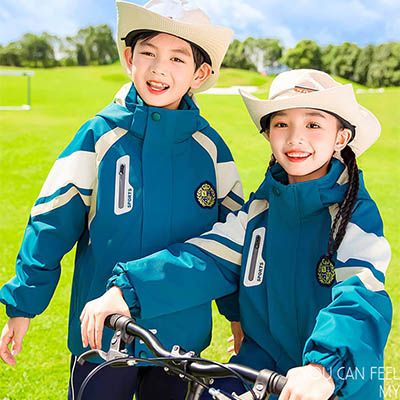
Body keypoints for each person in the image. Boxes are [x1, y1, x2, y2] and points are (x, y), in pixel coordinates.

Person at [81, 69, 392, 400]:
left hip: (333, 385)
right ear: (268, 133)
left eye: (313, 125)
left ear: (340, 138)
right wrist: (128, 290)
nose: (295, 138)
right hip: (259, 374)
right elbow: (205, 258)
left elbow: (360, 296)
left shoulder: (353, 213)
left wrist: (323, 369)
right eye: (281, 124)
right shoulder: (261, 209)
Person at [0, 1, 244, 399]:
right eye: (148, 52)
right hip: (103, 339)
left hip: (181, 342)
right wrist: (23, 305)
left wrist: (238, 316)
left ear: (199, 73)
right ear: (129, 58)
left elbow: (231, 242)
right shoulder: (99, 136)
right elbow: (51, 221)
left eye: (177, 58)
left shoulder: (211, 150)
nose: (159, 68)